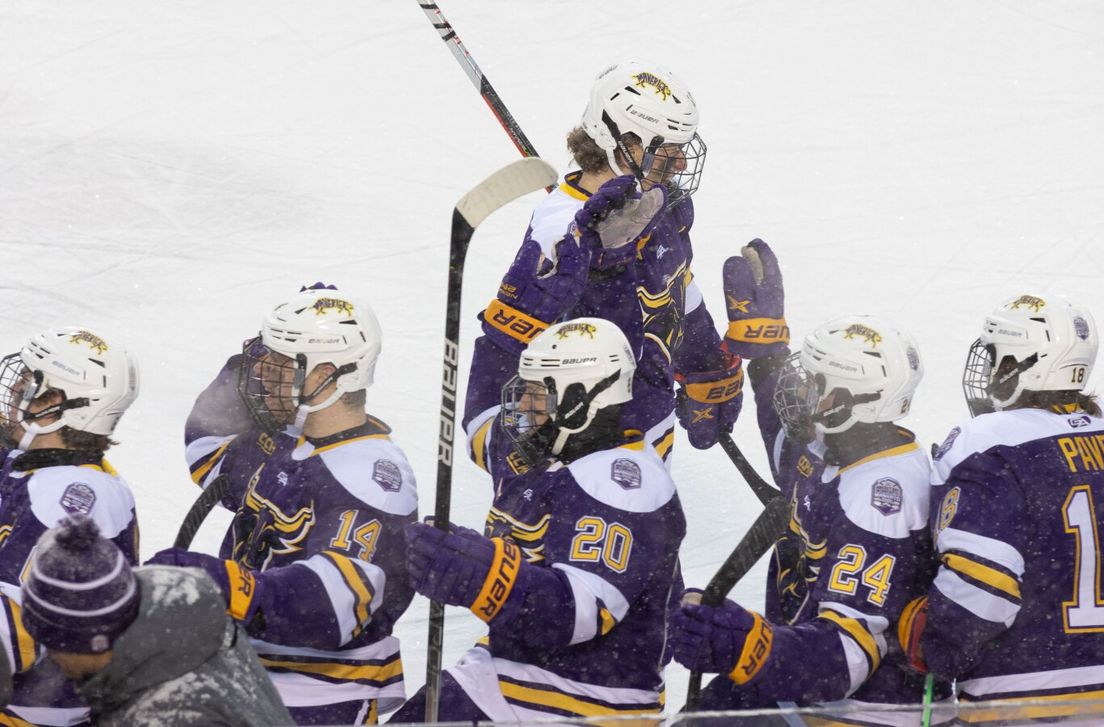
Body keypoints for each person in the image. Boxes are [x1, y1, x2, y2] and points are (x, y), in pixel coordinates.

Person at [669, 242, 942, 724]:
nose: (797, 389)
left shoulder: (883, 498)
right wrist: (766, 351)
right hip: (802, 685)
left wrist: (741, 641)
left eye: (812, 382)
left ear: (850, 403)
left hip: (865, 709)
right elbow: (786, 435)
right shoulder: (833, 448)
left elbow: (846, 656)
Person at [900, 294, 1104, 722]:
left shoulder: (985, 441)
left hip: (1023, 704)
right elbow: (1087, 444)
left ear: (1027, 364)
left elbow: (984, 592)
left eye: (999, 358)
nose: (991, 370)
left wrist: (938, 644)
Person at [463, 60, 757, 477]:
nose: (680, 162)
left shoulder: (663, 204)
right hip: (569, 478)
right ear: (623, 144)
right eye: (667, 148)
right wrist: (525, 442)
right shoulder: (558, 236)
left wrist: (704, 362)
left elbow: (676, 286)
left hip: (646, 464)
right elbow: (500, 404)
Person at [147, 284, 417, 725]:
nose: (260, 374)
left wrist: (218, 586)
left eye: (278, 364)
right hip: (242, 674)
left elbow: (329, 607)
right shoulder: (286, 437)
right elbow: (208, 451)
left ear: (326, 375)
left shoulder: (370, 476)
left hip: (319, 696)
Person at [393, 318, 686, 723]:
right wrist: (507, 317)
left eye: (537, 393)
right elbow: (482, 417)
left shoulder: (623, 482)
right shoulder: (541, 453)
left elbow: (580, 613)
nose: (521, 405)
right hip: (506, 674)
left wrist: (475, 571)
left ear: (582, 400)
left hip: (588, 700)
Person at [18, 514, 292, 726]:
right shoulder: (164, 596)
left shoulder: (168, 715)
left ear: (89, 642)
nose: (51, 656)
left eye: (52, 643)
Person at [0, 326, 139, 726]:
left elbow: (16, 629)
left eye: (28, 382)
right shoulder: (42, 465)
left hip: (33, 714)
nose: (14, 391)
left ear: (57, 403)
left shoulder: (71, 496)